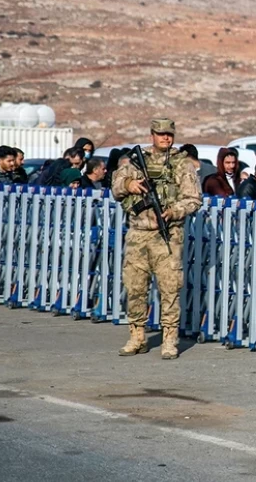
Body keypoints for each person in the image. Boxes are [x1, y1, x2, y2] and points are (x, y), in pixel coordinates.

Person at [112, 118, 201, 360]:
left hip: (169, 236)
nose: (166, 138)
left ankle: (169, 339)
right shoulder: (134, 161)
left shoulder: (182, 164)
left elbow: (194, 199)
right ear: (152, 134)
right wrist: (129, 184)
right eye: (161, 134)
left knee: (170, 289)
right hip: (138, 234)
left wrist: (175, 211)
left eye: (169, 134)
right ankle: (136, 336)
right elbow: (116, 187)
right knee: (135, 287)